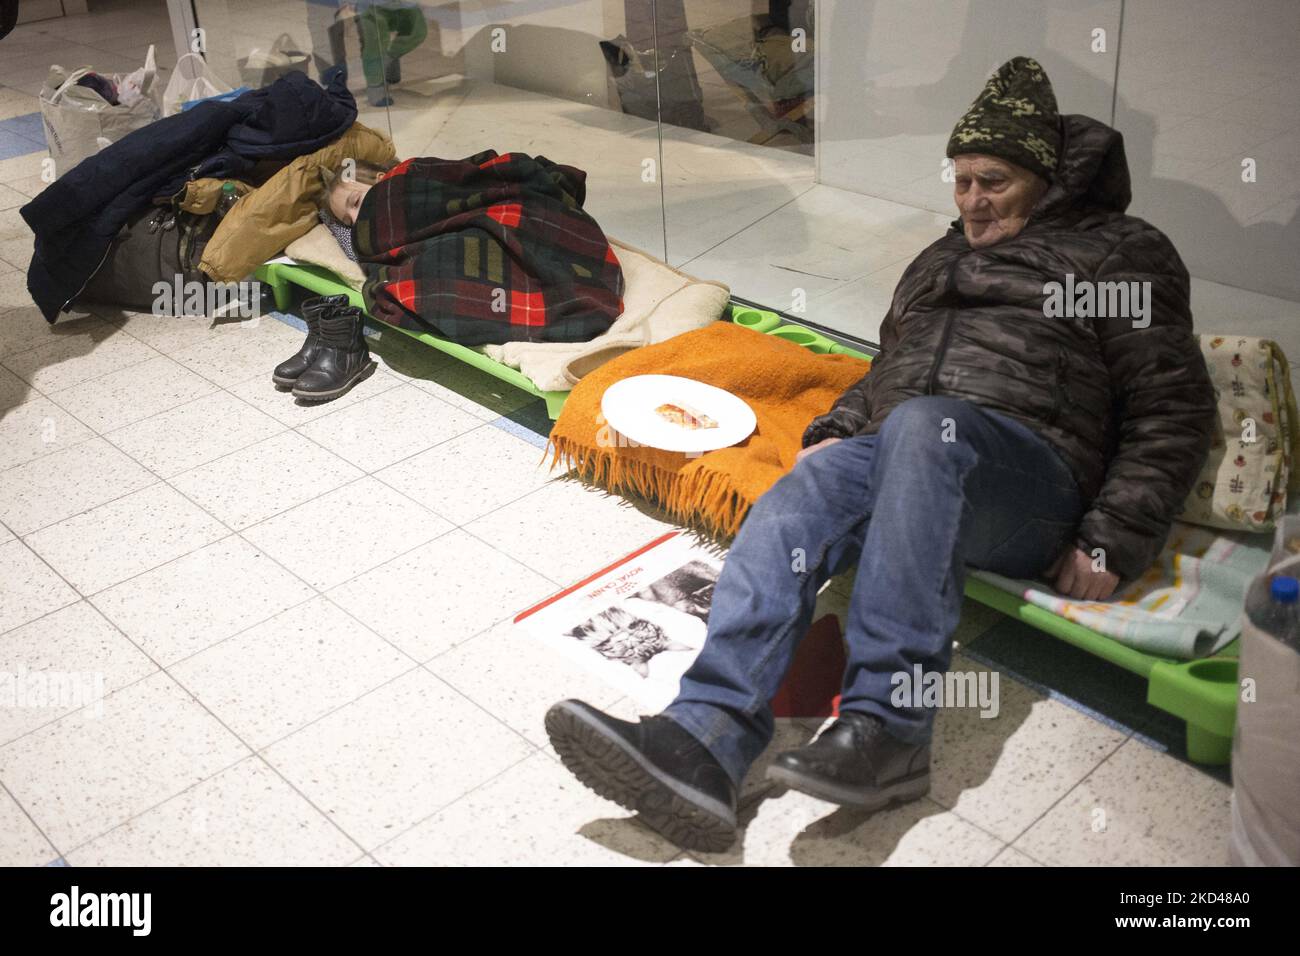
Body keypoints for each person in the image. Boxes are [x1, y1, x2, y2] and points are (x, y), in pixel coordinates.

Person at [544, 56, 1217, 852]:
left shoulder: (1121, 254)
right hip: (911, 450)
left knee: (930, 427)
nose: (971, 200)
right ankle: (705, 738)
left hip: (1028, 479)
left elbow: (1173, 405)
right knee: (823, 471)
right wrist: (833, 432)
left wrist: (1115, 531)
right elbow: (886, 370)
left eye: (993, 181)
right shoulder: (940, 256)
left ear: (1045, 177)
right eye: (961, 181)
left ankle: (888, 726)